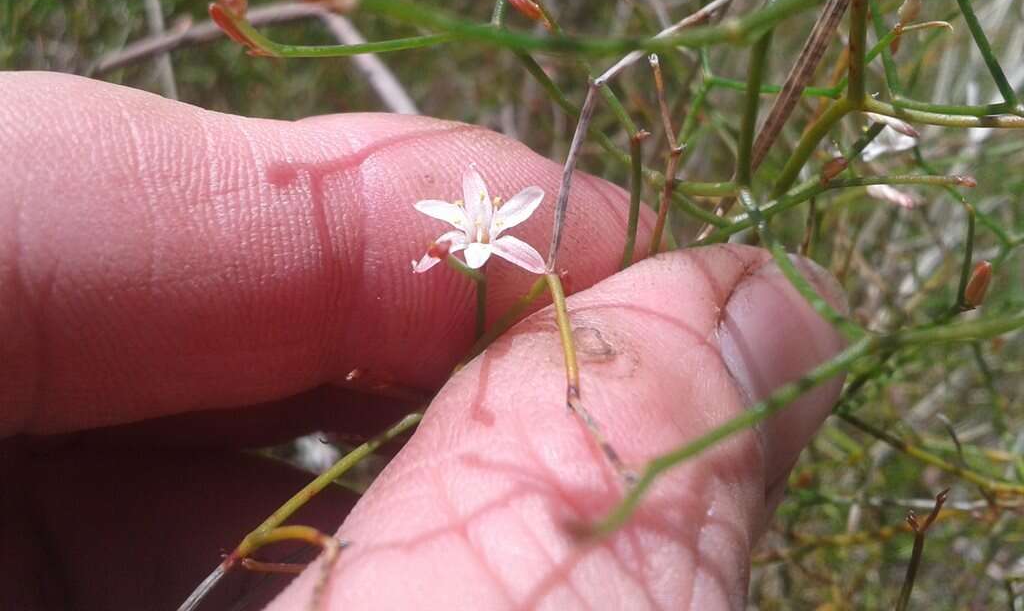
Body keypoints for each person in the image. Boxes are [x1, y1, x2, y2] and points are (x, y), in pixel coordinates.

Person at [0, 72, 845, 610]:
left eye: (473, 231)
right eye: (465, 232)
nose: (472, 232)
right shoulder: (483, 244)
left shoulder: (503, 246)